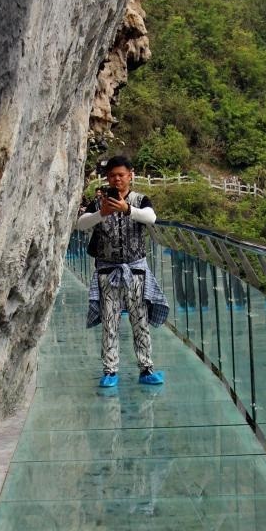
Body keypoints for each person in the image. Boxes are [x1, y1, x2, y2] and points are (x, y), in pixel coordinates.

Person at [76, 155, 168, 387]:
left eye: (121, 175)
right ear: (107, 178)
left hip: (136, 270)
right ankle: (110, 370)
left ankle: (146, 368)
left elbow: (151, 218)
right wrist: (101, 214)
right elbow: (81, 223)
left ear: (130, 175)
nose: (116, 179)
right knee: (110, 321)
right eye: (112, 176)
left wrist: (128, 209)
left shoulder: (139, 199)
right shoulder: (99, 203)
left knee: (140, 319)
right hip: (107, 270)